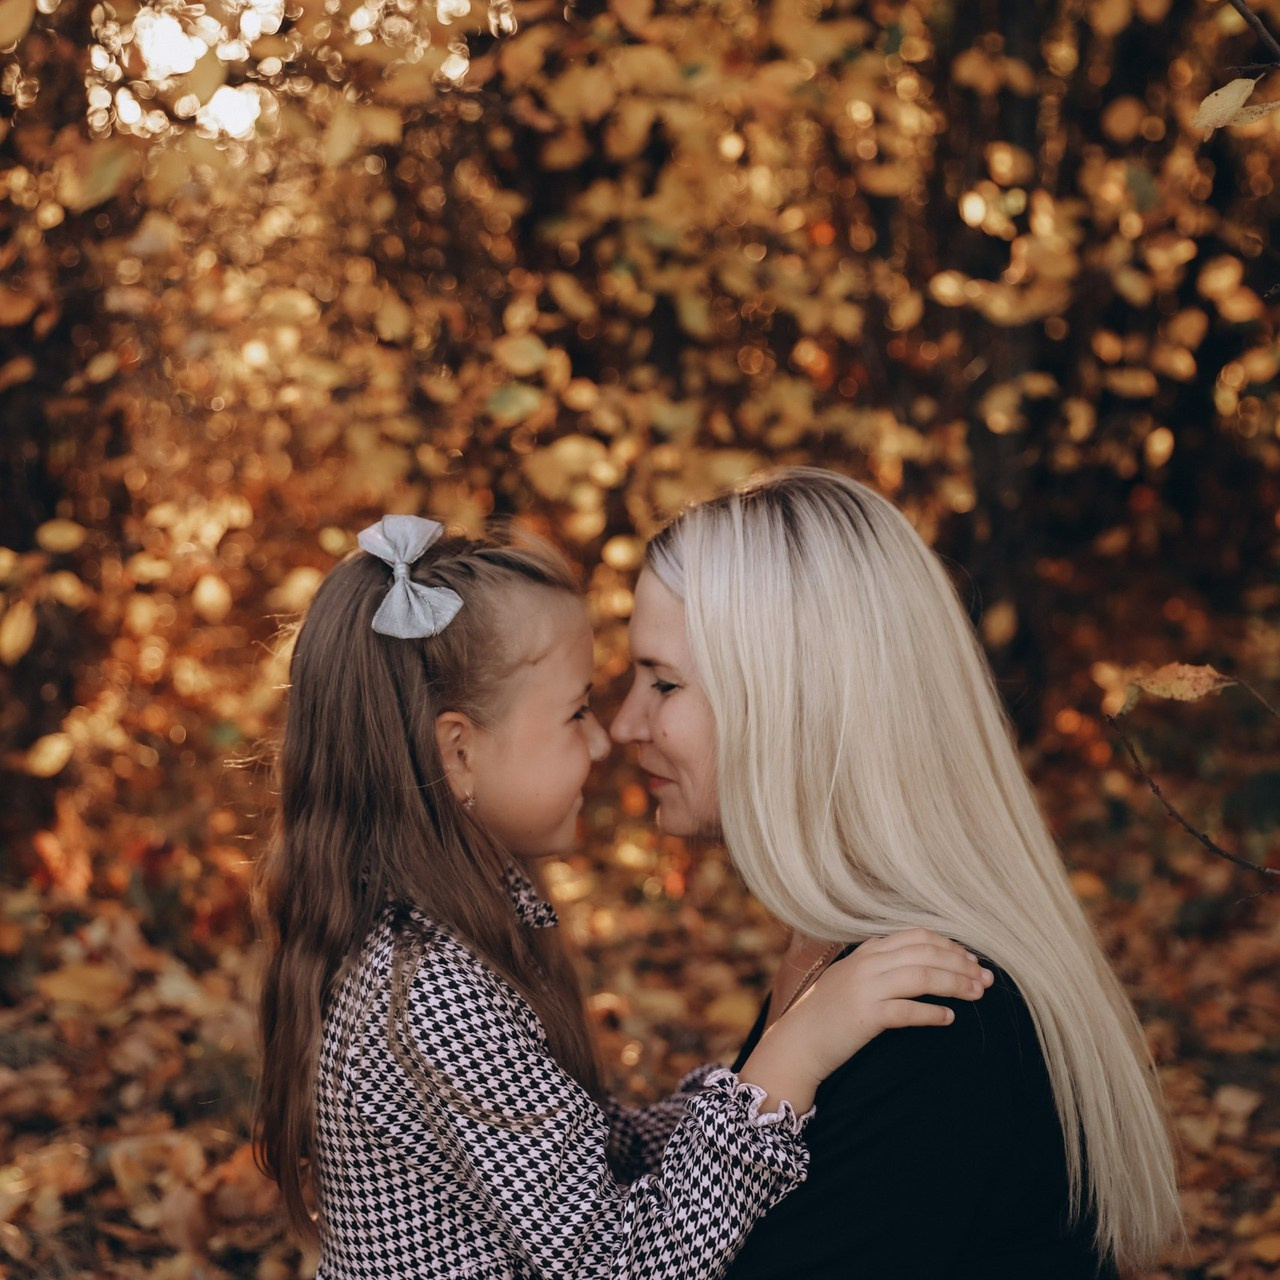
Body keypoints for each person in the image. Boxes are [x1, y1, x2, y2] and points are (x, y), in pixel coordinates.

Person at [253, 513, 991, 1280]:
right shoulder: (430, 994)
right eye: (576, 713)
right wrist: (793, 1057)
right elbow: (623, 1263)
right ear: (460, 752)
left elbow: (592, 1153)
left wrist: (773, 1040)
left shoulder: (436, 945)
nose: (607, 739)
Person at [611, 468, 1182, 1280]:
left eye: (663, 683)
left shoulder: (935, 1020)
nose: (624, 722)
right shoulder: (845, 962)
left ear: (792, 700)